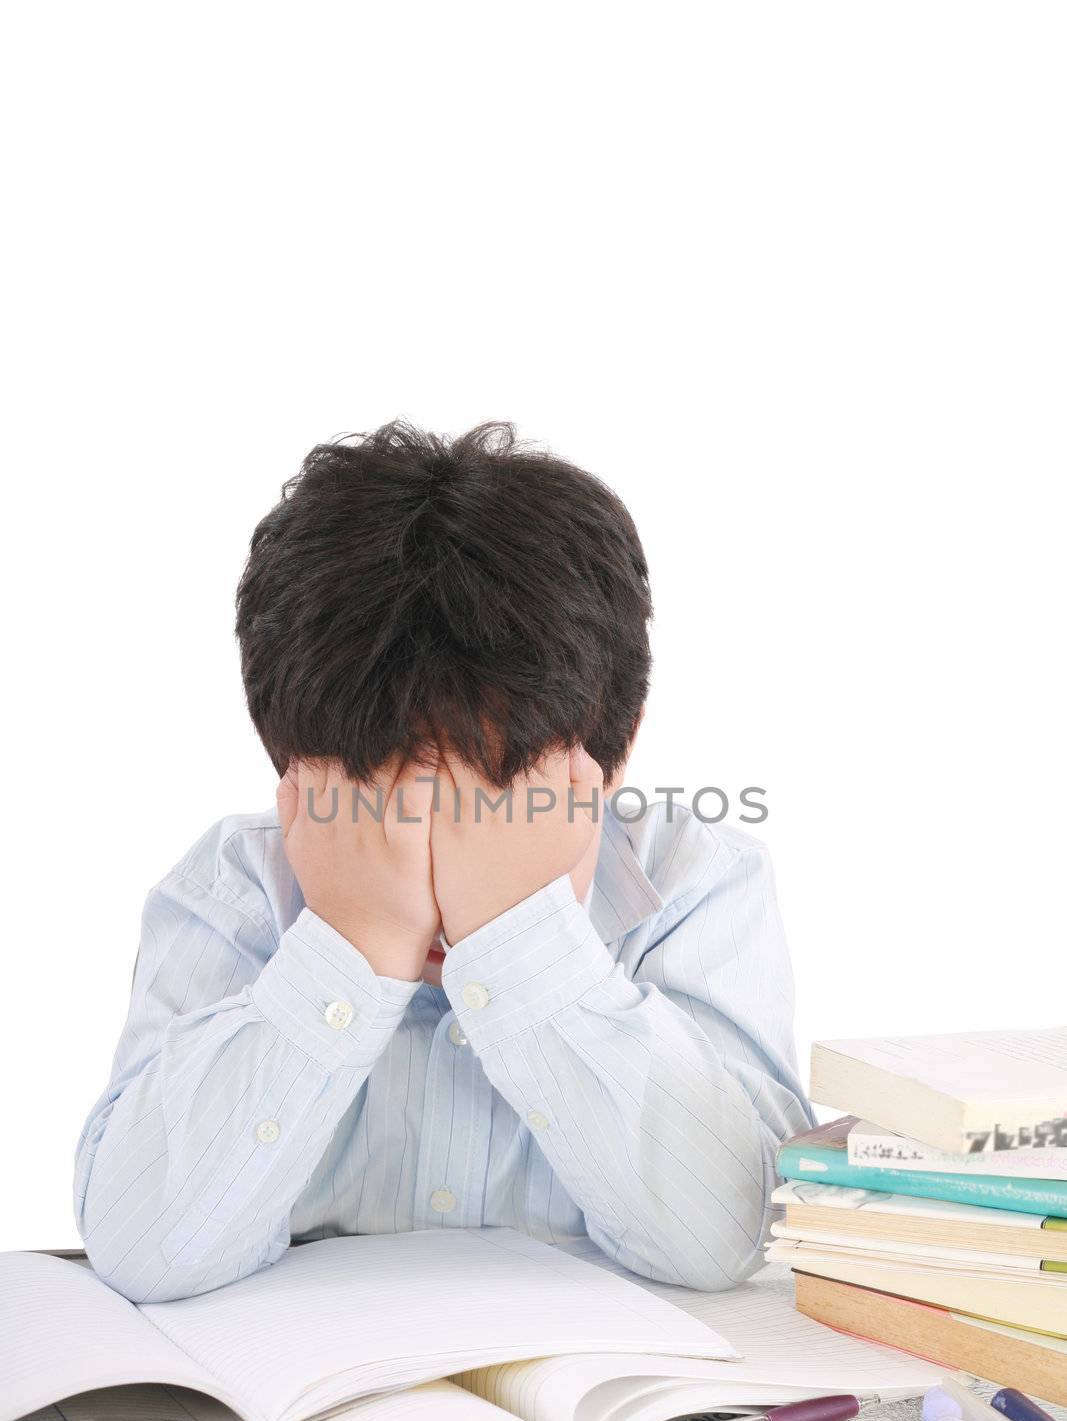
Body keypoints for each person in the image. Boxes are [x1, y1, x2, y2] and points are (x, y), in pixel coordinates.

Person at [74, 421, 811, 1302]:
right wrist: (355, 943)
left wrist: (518, 938)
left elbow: (731, 1239)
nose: (430, 861)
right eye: (385, 805)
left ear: (611, 763)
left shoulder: (695, 883)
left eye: (488, 809)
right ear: (294, 775)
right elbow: (139, 1247)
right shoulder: (236, 887)